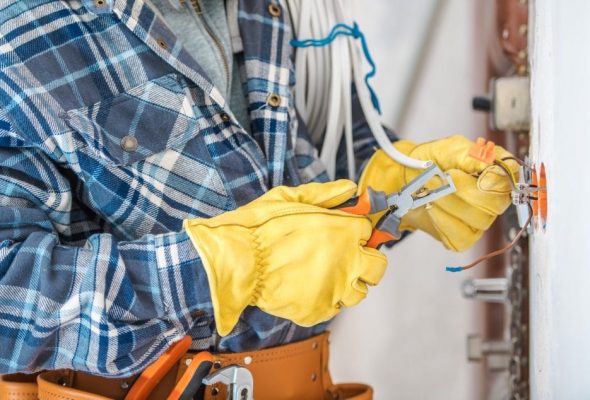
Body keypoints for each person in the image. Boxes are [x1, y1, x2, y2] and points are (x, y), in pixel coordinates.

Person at [0, 1, 518, 399]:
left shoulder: (271, 6)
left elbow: (320, 149)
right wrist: (227, 270)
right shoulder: (20, 30)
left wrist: (398, 186)